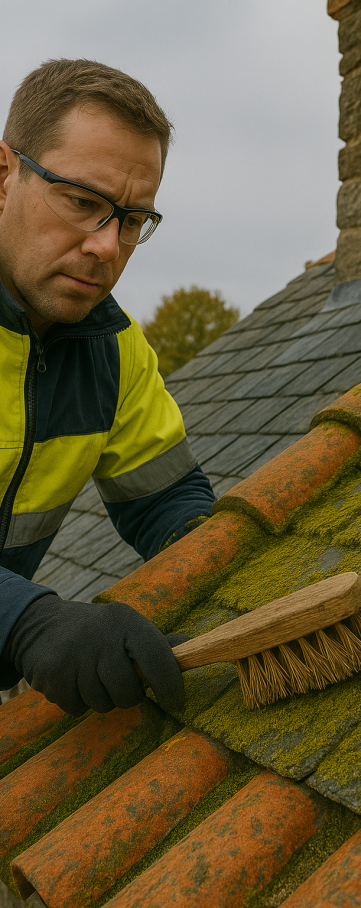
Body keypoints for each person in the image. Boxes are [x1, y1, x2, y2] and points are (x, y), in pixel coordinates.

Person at [0, 59, 216, 716]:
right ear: (3, 176)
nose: (106, 246)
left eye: (130, 219)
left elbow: (167, 500)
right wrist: (28, 621)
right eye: (83, 202)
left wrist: (227, 572)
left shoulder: (113, 349)